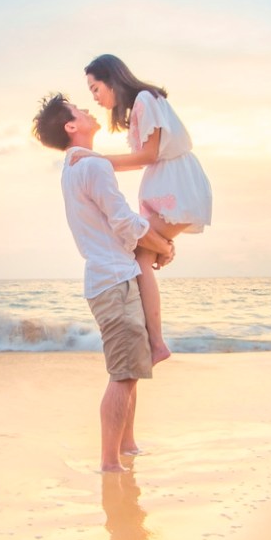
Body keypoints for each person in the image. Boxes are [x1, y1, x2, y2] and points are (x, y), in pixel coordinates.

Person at [32, 92, 174, 473]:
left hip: (111, 277)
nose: (88, 110)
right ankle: (110, 464)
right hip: (113, 280)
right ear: (71, 126)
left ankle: (127, 444)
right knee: (123, 374)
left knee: (132, 369)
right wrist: (161, 244)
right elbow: (124, 222)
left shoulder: (75, 167)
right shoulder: (92, 168)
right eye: (80, 110)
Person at [69, 54, 212, 365]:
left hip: (176, 185)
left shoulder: (145, 99)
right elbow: (148, 158)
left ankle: (157, 342)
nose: (94, 98)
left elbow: (148, 155)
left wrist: (99, 160)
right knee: (146, 254)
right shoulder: (140, 106)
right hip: (168, 185)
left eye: (95, 89)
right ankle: (156, 341)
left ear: (112, 79)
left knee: (141, 255)